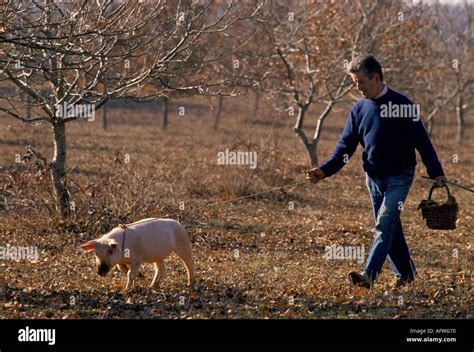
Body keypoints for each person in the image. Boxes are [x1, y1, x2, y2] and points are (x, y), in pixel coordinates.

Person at [306, 54, 447, 289]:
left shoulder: (403, 105)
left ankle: (369, 276)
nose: (358, 87)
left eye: (361, 81)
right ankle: (407, 274)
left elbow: (422, 141)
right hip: (373, 177)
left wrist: (436, 171)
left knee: (384, 224)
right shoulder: (359, 109)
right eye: (354, 82)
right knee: (390, 225)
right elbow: (345, 146)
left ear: (377, 77)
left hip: (400, 176)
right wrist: (324, 170)